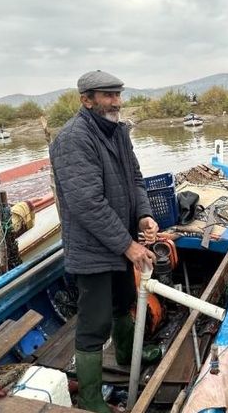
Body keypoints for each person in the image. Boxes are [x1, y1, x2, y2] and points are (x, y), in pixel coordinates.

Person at [49, 70, 158, 413]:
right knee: (94, 322)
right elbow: (87, 203)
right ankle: (92, 399)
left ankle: (127, 352)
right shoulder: (73, 139)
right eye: (108, 95)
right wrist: (128, 246)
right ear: (86, 99)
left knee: (124, 298)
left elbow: (136, 179)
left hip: (120, 240)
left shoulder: (119, 132)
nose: (117, 101)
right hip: (92, 248)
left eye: (118, 94)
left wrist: (143, 214)